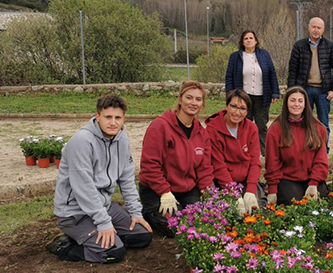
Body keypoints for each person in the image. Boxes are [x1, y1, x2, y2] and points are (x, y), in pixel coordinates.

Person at [48, 94, 153, 263]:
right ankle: (66, 246)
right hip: (75, 214)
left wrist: (135, 212)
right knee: (113, 253)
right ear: (97, 117)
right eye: (108, 117)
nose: (113, 123)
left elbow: (127, 179)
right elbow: (84, 189)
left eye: (118, 118)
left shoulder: (122, 140)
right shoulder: (81, 142)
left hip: (104, 206)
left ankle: (97, 238)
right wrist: (104, 223)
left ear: (124, 118)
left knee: (142, 236)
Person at [139, 80, 213, 237]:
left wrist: (209, 196)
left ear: (202, 104)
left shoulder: (202, 133)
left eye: (198, 99)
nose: (193, 103)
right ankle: (149, 212)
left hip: (186, 190)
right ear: (180, 99)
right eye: (189, 97)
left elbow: (204, 169)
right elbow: (149, 165)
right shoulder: (161, 126)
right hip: (158, 191)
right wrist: (164, 191)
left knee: (204, 223)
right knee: (178, 227)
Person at [265, 86, 329, 205]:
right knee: (294, 204)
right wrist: (272, 190)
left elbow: (321, 159)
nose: (296, 104)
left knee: (318, 204)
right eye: (292, 100)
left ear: (305, 104)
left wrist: (314, 183)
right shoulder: (275, 129)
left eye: (300, 101)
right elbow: (272, 162)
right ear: (286, 103)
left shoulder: (317, 127)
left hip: (312, 178)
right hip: (288, 179)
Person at [205, 89, 263, 216]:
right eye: (234, 106)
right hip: (223, 182)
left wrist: (251, 190)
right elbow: (218, 166)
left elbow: (255, 162)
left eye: (242, 109)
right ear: (226, 106)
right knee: (231, 214)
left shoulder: (251, 128)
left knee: (257, 211)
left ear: (247, 112)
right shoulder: (213, 130)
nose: (237, 112)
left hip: (245, 180)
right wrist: (233, 193)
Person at [287, 17, 333, 149]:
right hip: (304, 90)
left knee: (323, 124)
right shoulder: (299, 45)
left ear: (323, 29)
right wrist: (293, 91)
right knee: (303, 122)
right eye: (314, 27)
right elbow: (292, 70)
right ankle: (305, 149)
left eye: (319, 28)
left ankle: (324, 150)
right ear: (309, 27)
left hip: (324, 91)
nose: (316, 30)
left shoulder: (330, 46)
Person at [225, 30, 280, 156]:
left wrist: (275, 92)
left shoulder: (264, 55)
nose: (249, 40)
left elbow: (272, 73)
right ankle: (244, 151)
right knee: (243, 124)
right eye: (246, 38)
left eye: (251, 38)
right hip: (243, 97)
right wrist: (230, 95)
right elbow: (229, 77)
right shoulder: (235, 57)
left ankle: (264, 153)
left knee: (261, 125)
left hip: (262, 96)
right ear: (242, 42)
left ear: (256, 41)